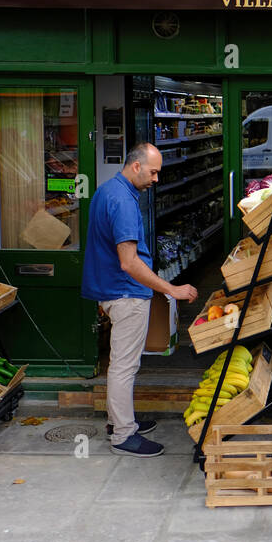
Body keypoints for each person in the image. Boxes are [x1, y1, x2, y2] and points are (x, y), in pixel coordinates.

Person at [81, 142, 198, 457]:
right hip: (125, 292)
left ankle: (117, 420)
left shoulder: (107, 191)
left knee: (118, 363)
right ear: (136, 166)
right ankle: (123, 435)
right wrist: (170, 289)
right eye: (153, 171)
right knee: (124, 366)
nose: (156, 179)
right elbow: (129, 262)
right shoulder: (124, 202)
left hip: (110, 289)